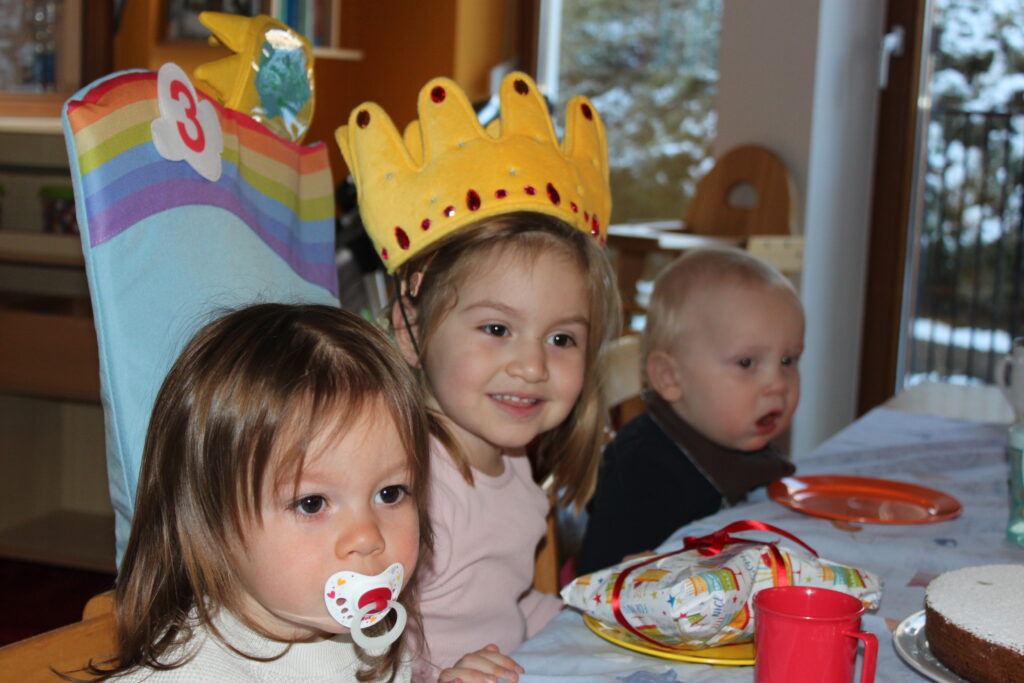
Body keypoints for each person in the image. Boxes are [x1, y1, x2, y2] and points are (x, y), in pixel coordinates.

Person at [336, 72, 622, 681]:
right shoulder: (405, 486)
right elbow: (350, 647)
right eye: (497, 328)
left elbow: (499, 605)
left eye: (562, 338)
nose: (532, 366)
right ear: (411, 328)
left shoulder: (510, 459)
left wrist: (590, 618)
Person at [75, 303, 443, 682]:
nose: (367, 537)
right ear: (211, 522)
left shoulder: (373, 633)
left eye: (390, 493)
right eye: (312, 503)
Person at [576, 247, 802, 577]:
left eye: (788, 360)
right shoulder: (641, 470)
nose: (778, 384)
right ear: (671, 378)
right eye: (746, 363)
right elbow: (600, 580)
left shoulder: (738, 440)